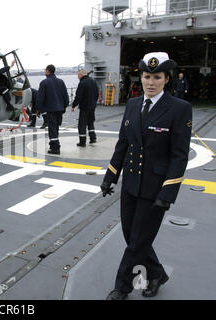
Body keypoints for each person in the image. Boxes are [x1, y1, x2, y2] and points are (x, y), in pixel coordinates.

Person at [101, 52, 192, 300]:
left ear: (166, 79)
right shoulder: (132, 105)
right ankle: (157, 274)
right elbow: (123, 144)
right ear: (140, 77)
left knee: (137, 241)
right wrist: (110, 177)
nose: (151, 82)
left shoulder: (179, 109)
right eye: (146, 76)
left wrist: (168, 192)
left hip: (155, 188)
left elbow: (179, 156)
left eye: (157, 77)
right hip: (131, 184)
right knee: (132, 236)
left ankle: (122, 287)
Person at [36, 64, 69, 154]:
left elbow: (40, 98)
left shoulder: (44, 83)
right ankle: (55, 144)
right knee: (56, 127)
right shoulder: (61, 82)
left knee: (52, 128)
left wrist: (38, 109)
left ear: (47, 71)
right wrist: (64, 106)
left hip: (51, 110)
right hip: (60, 109)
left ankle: (55, 148)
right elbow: (65, 96)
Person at [71, 69, 99, 147]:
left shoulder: (82, 83)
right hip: (92, 106)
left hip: (84, 107)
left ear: (81, 75)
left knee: (82, 124)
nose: (78, 77)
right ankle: (93, 138)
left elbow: (78, 96)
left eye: (78, 75)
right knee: (90, 122)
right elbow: (96, 93)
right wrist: (94, 102)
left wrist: (73, 105)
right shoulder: (93, 81)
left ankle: (82, 142)